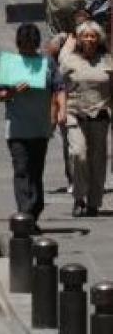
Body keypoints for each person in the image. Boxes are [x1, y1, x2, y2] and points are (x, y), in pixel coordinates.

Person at [0, 24, 64, 230]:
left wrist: (61, 110)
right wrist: (13, 92)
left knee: (36, 171)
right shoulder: (10, 64)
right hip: (17, 128)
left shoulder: (47, 63)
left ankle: (33, 211)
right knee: (22, 170)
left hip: (40, 128)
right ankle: (25, 215)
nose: (27, 50)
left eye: (31, 46)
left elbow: (59, 87)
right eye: (23, 46)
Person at [58, 20, 113, 217]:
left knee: (98, 160)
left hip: (100, 115)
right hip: (75, 114)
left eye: (93, 36)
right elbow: (58, 87)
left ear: (99, 39)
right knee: (78, 154)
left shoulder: (108, 60)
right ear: (79, 39)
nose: (89, 39)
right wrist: (60, 110)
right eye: (85, 36)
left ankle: (94, 202)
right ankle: (79, 197)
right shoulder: (68, 60)